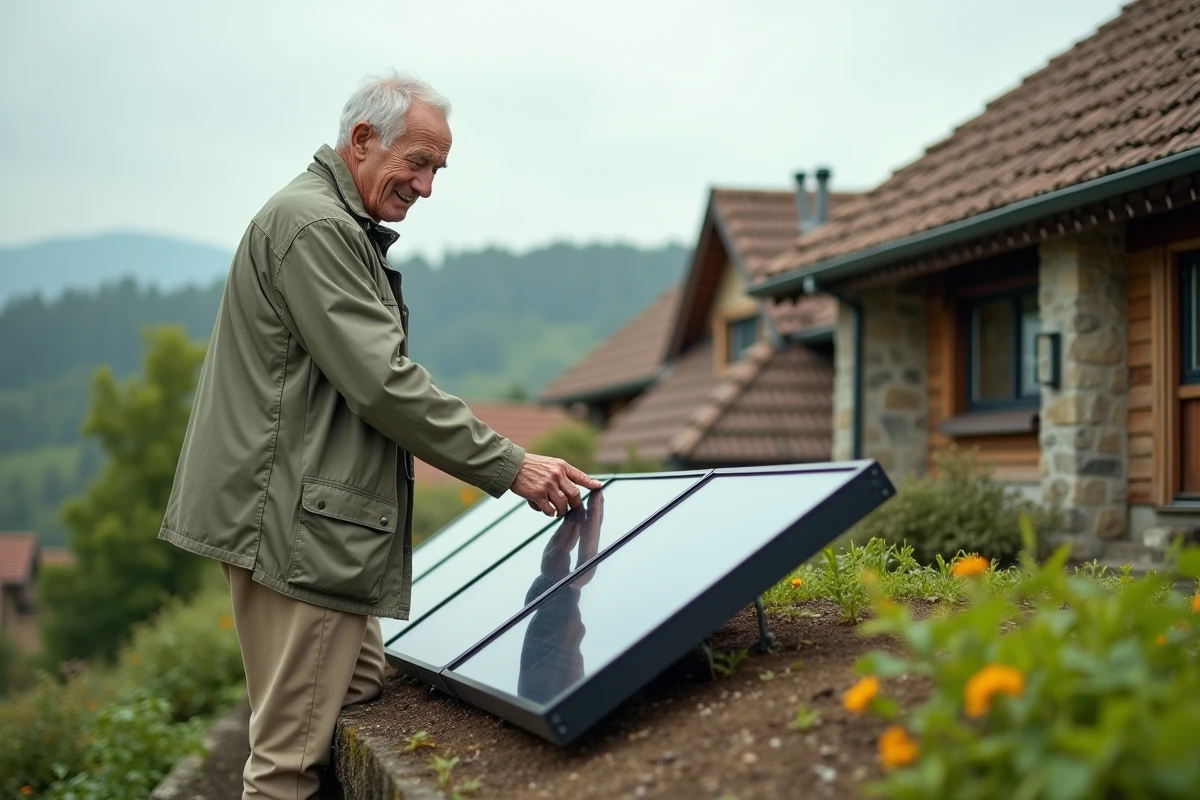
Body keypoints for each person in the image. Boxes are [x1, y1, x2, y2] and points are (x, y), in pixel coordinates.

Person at [158, 70, 602, 799]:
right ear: (361, 140)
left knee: (355, 694)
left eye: (437, 169)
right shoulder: (318, 228)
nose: (427, 186)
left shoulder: (318, 219)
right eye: (417, 163)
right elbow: (381, 382)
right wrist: (509, 465)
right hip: (300, 530)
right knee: (285, 763)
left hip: (304, 522)